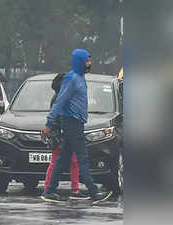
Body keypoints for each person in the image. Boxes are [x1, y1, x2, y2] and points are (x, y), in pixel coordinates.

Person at [41, 49, 112, 203]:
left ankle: (50, 191)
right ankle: (94, 193)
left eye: (90, 61)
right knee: (82, 158)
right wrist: (48, 124)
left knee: (64, 158)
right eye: (87, 61)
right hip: (71, 123)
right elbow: (59, 102)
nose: (89, 63)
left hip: (77, 123)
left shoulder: (80, 78)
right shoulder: (72, 79)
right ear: (79, 61)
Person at [43, 73, 89, 200]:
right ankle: (48, 189)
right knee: (56, 162)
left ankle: (75, 190)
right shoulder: (60, 98)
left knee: (74, 162)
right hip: (60, 134)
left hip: (66, 133)